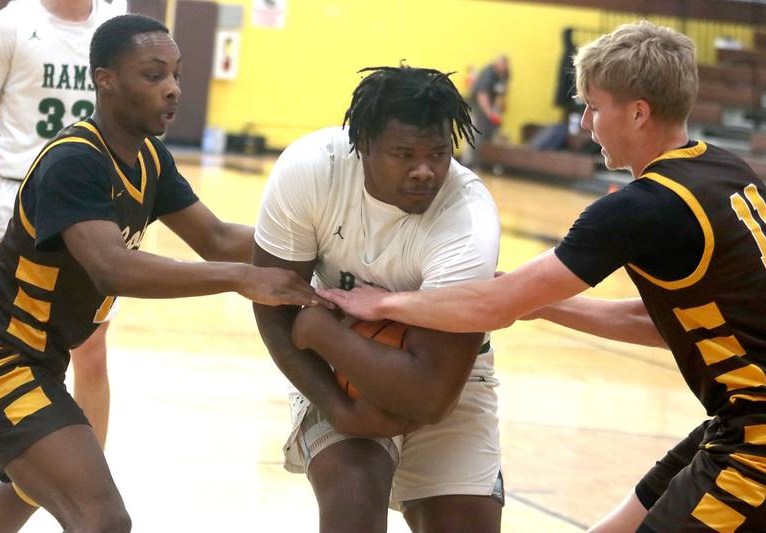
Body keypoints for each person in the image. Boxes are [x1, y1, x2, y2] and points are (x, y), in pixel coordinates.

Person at [321, 21, 766, 532]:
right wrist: (542, 303)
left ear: (638, 112)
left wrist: (383, 304)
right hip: (734, 421)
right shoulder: (724, 169)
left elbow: (491, 307)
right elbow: (668, 323)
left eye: (594, 107)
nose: (584, 123)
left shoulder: (643, 208)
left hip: (755, 440)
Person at [0, 14, 321, 533]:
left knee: (29, 488)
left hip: (38, 353)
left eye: (176, 74)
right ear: (105, 79)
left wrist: (326, 245)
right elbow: (113, 268)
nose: (173, 89)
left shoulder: (150, 158)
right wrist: (240, 278)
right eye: (154, 76)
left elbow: (217, 238)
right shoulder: (75, 161)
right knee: (101, 519)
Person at [253, 66, 503, 533]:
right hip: (337, 370)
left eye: (438, 153)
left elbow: (432, 397)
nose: (424, 170)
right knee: (353, 499)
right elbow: (272, 311)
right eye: (404, 154)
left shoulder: (467, 218)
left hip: (450, 377)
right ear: (362, 142)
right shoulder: (310, 171)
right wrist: (340, 407)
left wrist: (321, 329)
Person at [0, 0, 127, 454]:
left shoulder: (117, 26)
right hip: (14, 195)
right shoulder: (9, 25)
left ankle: (90, 488)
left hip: (91, 204)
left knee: (91, 347)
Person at [461, 54, 509, 170]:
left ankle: (482, 161)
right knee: (476, 132)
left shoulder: (505, 74)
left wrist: (497, 111)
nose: (503, 69)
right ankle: (467, 163)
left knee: (489, 134)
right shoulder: (488, 74)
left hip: (489, 106)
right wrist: (490, 114)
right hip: (476, 105)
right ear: (497, 64)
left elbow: (501, 93)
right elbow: (482, 96)